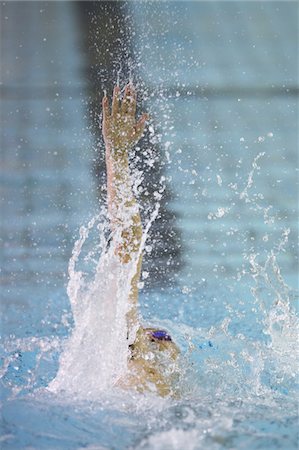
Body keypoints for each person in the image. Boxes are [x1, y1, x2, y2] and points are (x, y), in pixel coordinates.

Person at [102, 83, 180, 397]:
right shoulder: (131, 366)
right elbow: (129, 243)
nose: (161, 337)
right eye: (160, 335)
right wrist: (117, 156)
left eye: (161, 334)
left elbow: (129, 243)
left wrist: (117, 155)